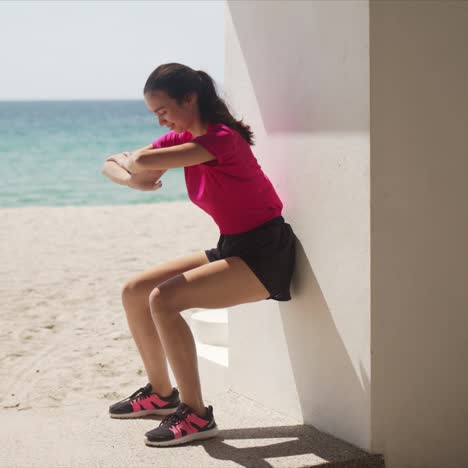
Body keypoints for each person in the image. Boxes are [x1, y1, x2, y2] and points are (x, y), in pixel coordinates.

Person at [101, 63, 296, 447]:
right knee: (135, 290)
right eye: (155, 115)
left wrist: (137, 164)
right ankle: (160, 393)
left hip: (265, 252)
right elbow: (111, 164)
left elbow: (140, 162)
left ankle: (196, 415)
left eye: (164, 112)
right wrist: (134, 178)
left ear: (189, 98)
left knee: (164, 299)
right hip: (233, 246)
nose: (161, 123)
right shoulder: (184, 140)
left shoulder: (220, 141)